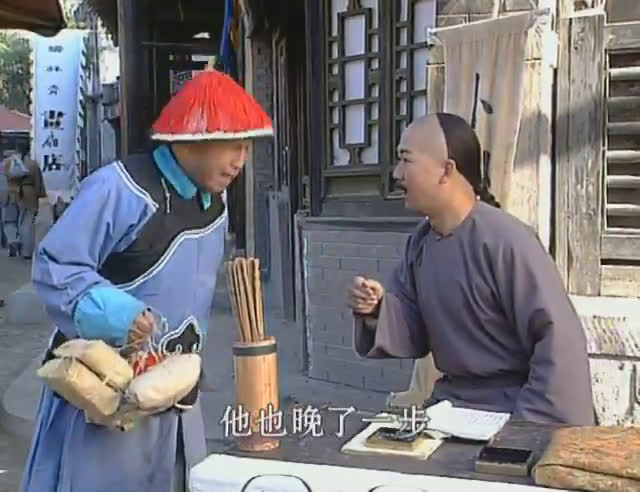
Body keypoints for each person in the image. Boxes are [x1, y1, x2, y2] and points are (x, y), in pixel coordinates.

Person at [20, 69, 274, 492]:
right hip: (105, 400)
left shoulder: (215, 202)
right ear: (191, 138)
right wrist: (119, 315)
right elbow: (56, 266)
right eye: (232, 145)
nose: (240, 160)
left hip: (173, 394)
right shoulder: (119, 189)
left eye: (247, 147)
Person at [348, 113, 595, 426]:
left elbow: (560, 341)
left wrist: (527, 430)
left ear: (446, 171)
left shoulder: (507, 241)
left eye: (406, 160)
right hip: (452, 405)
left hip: (516, 407)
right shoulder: (420, 243)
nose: (397, 173)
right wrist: (377, 309)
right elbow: (412, 327)